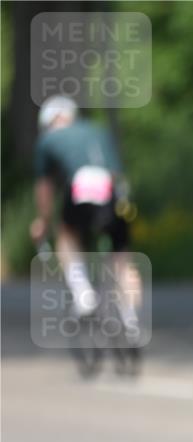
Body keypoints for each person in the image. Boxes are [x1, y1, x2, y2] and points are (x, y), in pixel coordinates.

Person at [31, 95, 140, 329]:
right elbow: (117, 173)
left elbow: (44, 188)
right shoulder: (98, 130)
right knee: (121, 256)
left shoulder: (47, 140)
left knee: (66, 235)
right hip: (114, 192)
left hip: (81, 187)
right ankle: (131, 319)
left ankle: (83, 295)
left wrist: (42, 222)